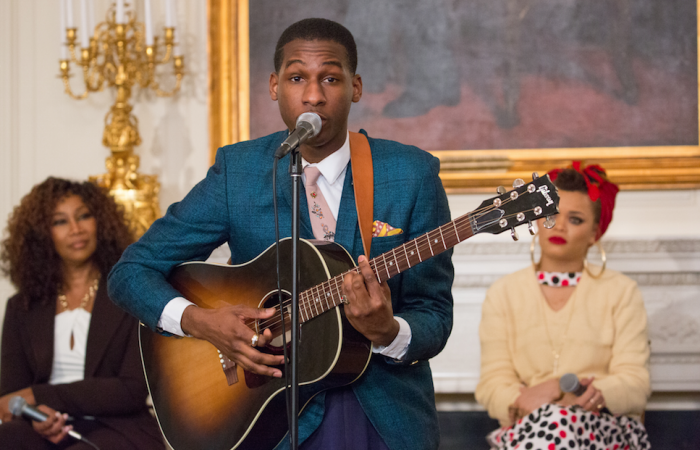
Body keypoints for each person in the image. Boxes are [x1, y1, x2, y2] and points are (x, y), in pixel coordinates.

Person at [108, 18, 454, 450]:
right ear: (274, 86)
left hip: (381, 415)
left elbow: (434, 314)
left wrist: (387, 331)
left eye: (330, 78)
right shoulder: (240, 171)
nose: (313, 94)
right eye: (297, 78)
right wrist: (202, 322)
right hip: (269, 418)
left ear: (356, 87)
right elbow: (130, 272)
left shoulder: (410, 175)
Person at [475, 162, 650, 450]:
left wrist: (566, 390)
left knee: (561, 422)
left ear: (595, 232)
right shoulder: (503, 293)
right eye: (551, 214)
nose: (559, 225)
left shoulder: (621, 291)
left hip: (604, 425)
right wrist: (524, 401)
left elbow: (635, 382)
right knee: (554, 422)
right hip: (527, 426)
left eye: (576, 219)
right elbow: (493, 381)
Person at [0, 178, 165, 450]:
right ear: (42, 234)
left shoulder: (130, 293)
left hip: (117, 427)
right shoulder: (22, 306)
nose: (76, 229)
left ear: (100, 222)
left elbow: (132, 390)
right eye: (60, 221)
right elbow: (12, 396)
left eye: (84, 216)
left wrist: (41, 396)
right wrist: (37, 415)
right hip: (43, 426)